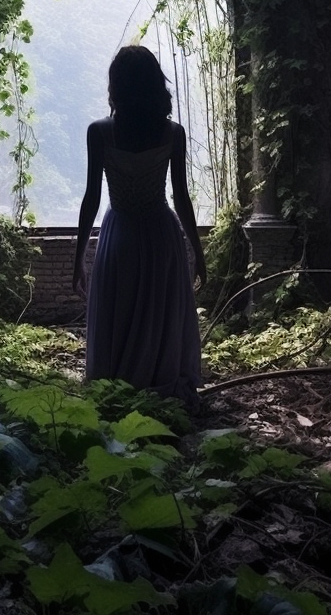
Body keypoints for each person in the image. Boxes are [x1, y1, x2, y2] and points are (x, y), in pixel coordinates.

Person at [73, 45, 206, 410]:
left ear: (117, 86)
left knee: (122, 311)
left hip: (121, 235)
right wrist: (197, 249)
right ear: (153, 85)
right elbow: (182, 198)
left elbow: (91, 198)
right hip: (162, 235)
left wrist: (79, 257)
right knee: (157, 313)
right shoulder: (172, 134)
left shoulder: (99, 132)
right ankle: (157, 386)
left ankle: (119, 390)